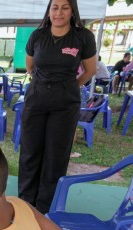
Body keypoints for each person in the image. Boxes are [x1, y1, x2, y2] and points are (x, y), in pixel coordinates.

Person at [18, 0, 97, 214]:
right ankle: (25, 202)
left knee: (56, 154)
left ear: (72, 11)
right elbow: (30, 67)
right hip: (36, 99)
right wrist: (45, 85)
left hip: (65, 103)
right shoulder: (38, 35)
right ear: (49, 10)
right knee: (29, 151)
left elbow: (90, 70)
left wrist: (69, 86)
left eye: (65, 7)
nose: (59, 12)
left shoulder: (83, 36)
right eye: (55, 7)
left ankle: (45, 206)